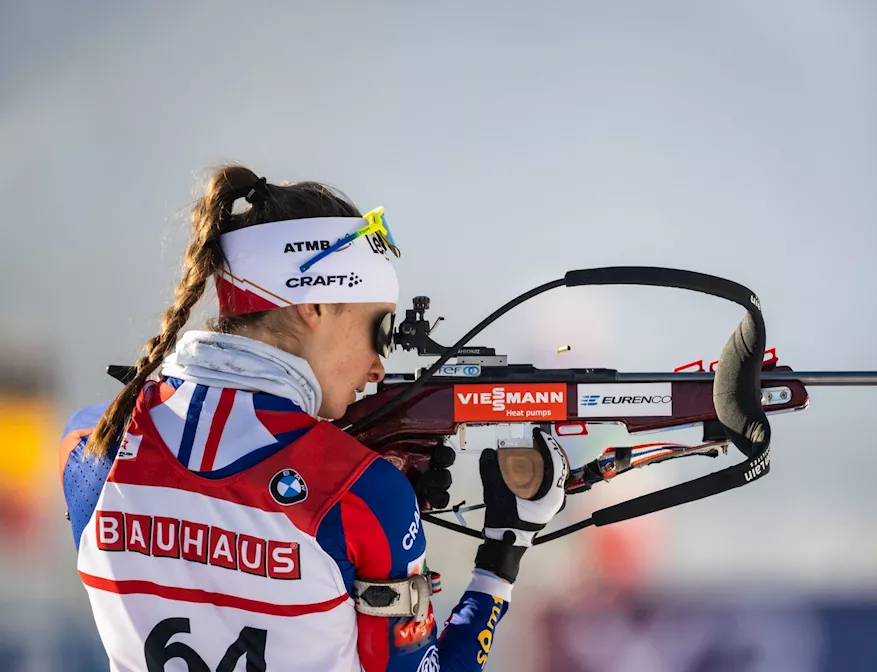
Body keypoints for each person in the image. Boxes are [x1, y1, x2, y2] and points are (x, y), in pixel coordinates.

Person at [58, 165, 569, 671]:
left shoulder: (88, 442)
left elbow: (220, 520)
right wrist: (504, 551)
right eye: (379, 328)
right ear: (315, 304)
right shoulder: (363, 494)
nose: (379, 364)